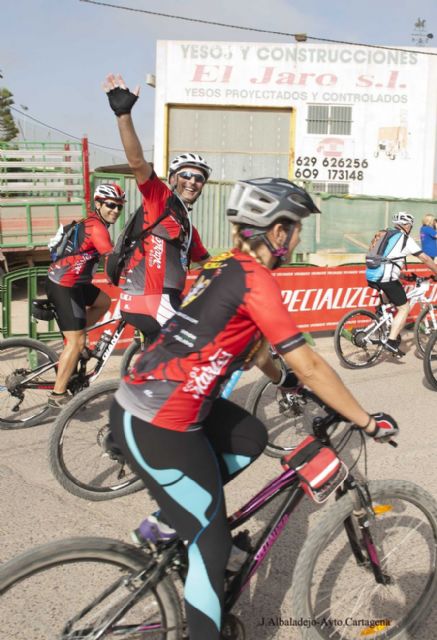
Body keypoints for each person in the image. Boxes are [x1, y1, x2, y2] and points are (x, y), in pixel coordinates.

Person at [109, 177, 399, 640]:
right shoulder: (257, 280)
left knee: (250, 436)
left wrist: (281, 378)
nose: (298, 237)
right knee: (213, 544)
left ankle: (168, 520)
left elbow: (245, 340)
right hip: (158, 422)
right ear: (277, 232)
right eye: (296, 227)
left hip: (161, 402)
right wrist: (366, 419)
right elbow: (310, 362)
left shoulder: (227, 266)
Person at [103, 73, 211, 341]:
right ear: (173, 179)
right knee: (200, 351)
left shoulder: (188, 227)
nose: (192, 181)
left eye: (199, 178)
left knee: (161, 371)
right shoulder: (159, 198)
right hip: (150, 299)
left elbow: (208, 263)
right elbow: (138, 162)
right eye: (186, 175)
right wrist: (123, 115)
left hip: (158, 300)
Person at [45, 183, 125, 408]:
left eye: (119, 206)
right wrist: (123, 277)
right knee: (77, 341)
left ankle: (75, 341)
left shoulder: (93, 222)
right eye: (111, 205)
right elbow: (111, 258)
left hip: (76, 282)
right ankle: (57, 394)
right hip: (64, 284)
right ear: (98, 204)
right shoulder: (96, 227)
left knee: (104, 302)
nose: (115, 210)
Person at [366, 211, 437, 357]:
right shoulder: (405, 238)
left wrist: (404, 275)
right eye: (410, 225)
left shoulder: (386, 234)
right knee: (404, 308)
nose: (410, 228)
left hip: (372, 275)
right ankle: (391, 342)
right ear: (406, 225)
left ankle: (382, 318)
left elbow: (387, 258)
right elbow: (425, 259)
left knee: (389, 305)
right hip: (386, 278)